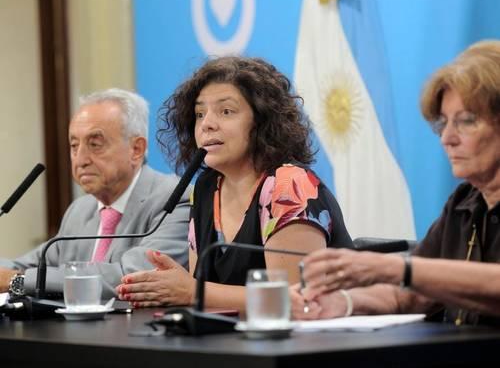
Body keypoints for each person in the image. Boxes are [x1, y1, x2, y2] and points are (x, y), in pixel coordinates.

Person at [116, 56, 352, 311]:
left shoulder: (289, 185)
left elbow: (297, 301)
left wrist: (192, 291)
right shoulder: (207, 187)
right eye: (199, 113)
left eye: (226, 111)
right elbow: (203, 300)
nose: (207, 124)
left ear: (262, 121)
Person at [292, 40, 500, 326]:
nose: (447, 138)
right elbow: (410, 296)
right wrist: (343, 302)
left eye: (466, 121)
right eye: (443, 123)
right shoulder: (465, 202)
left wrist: (395, 267)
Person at [0, 88, 191, 299]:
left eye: (95, 145)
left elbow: (133, 277)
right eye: (74, 145)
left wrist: (17, 281)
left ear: (136, 149)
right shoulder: (80, 209)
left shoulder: (175, 200)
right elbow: (31, 264)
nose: (81, 159)